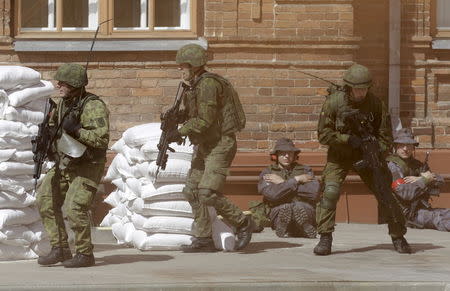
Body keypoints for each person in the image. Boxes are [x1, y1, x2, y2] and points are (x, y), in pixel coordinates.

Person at [315, 63, 410, 255]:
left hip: (367, 155)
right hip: (340, 154)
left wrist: (374, 149)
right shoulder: (333, 103)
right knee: (331, 192)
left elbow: (386, 137)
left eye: (364, 89)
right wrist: (347, 139)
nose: (361, 93)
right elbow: (323, 135)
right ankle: (325, 237)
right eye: (357, 89)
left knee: (384, 192)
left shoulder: (376, 105)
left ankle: (398, 236)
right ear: (349, 87)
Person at [166, 43, 254, 252]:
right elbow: (195, 116)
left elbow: (205, 120)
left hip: (220, 144)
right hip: (205, 144)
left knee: (206, 192)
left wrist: (180, 131)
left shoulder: (208, 85)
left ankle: (242, 222)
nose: (180, 69)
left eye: (183, 66)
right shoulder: (194, 86)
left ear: (194, 65)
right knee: (191, 191)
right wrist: (177, 119)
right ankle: (204, 237)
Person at [36, 63, 109, 267]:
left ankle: (85, 253)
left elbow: (101, 139)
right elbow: (55, 128)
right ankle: (60, 248)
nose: (58, 85)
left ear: (75, 84)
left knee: (74, 208)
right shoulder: (63, 103)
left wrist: (77, 130)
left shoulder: (92, 105)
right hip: (65, 162)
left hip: (87, 165)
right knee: (45, 200)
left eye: (63, 82)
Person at [388, 128, 448, 231]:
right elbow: (405, 193)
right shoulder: (393, 166)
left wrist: (420, 178)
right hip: (406, 214)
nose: (405, 149)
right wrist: (424, 180)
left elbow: (440, 181)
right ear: (395, 147)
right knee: (439, 218)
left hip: (421, 208)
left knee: (447, 212)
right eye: (402, 145)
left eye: (409, 145)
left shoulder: (417, 165)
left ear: (413, 148)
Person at [258, 138, 320, 238]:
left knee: (300, 207)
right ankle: (284, 226)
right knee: (285, 209)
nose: (287, 156)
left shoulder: (305, 170)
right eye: (283, 153)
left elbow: (314, 193)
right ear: (276, 155)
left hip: (304, 207)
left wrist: (283, 182)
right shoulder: (268, 173)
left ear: (295, 155)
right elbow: (272, 195)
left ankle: (304, 226)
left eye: (290, 153)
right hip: (279, 209)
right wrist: (297, 180)